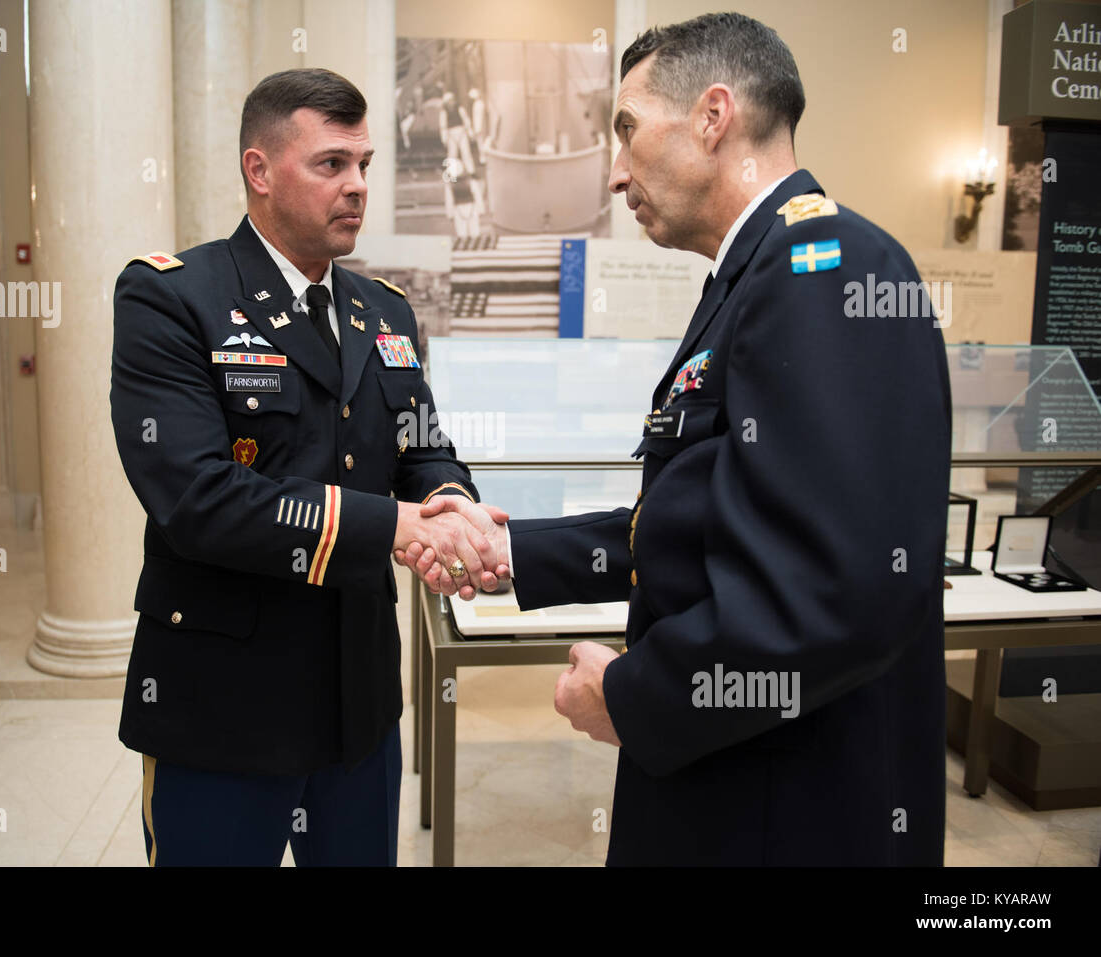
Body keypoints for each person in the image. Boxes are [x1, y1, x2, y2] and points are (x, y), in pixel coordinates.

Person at [399, 14, 952, 866]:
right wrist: (513, 552)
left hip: (784, 809)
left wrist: (632, 696)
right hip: (738, 781)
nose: (616, 173)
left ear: (712, 115)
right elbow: (705, 516)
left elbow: (834, 594)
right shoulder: (757, 272)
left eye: (626, 128)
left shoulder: (827, 265)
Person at [110, 68, 505, 866]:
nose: (357, 185)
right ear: (260, 171)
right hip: (224, 708)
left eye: (364, 164)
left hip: (357, 705)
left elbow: (422, 445)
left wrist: (451, 507)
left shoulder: (383, 308)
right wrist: (397, 524)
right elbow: (200, 497)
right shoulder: (173, 299)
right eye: (332, 164)